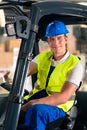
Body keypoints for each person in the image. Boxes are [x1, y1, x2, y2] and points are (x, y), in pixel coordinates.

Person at [19, 21, 84, 130]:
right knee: (8, 105)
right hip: (37, 98)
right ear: (48, 41)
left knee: (37, 111)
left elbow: (63, 97)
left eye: (59, 38)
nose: (55, 42)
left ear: (66, 39)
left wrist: (32, 103)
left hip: (58, 107)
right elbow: (23, 73)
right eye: (52, 39)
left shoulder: (75, 65)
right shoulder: (42, 57)